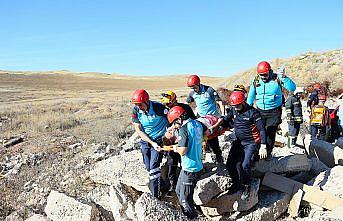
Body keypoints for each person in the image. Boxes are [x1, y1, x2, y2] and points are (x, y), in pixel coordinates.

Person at [220, 91, 267, 200]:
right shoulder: (234, 110)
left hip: (251, 143)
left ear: (243, 102)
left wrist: (263, 145)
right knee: (230, 164)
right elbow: (226, 120)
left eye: (237, 106)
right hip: (238, 141)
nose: (235, 108)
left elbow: (261, 129)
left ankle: (247, 186)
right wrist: (218, 126)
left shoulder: (253, 113)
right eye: (233, 106)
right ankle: (236, 183)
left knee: (245, 165)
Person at [247, 61, 296, 158]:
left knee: (270, 132)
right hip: (260, 110)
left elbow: (292, 87)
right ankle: (257, 153)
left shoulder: (277, 78)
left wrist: (284, 78)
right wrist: (247, 108)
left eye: (265, 75)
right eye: (261, 75)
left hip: (274, 111)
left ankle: (267, 155)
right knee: (259, 131)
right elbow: (251, 95)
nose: (263, 77)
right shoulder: (256, 81)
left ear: (269, 72)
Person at [167, 106, 207, 219]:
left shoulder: (183, 129)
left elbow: (183, 151)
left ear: (179, 119)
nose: (175, 126)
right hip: (194, 166)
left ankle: (192, 217)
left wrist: (176, 148)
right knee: (179, 191)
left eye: (175, 123)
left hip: (190, 169)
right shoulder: (196, 124)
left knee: (185, 200)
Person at [131, 89, 169, 198]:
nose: (139, 107)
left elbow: (171, 119)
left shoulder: (158, 108)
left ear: (147, 101)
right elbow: (139, 130)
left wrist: (168, 135)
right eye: (137, 105)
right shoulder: (136, 111)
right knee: (148, 167)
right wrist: (151, 142)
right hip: (146, 140)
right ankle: (163, 186)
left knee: (153, 167)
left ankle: (155, 196)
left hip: (159, 139)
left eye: (140, 104)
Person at [160, 90, 196, 192]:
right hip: (172, 140)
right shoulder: (166, 111)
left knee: (186, 159)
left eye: (168, 102)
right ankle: (173, 183)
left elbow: (193, 120)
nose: (167, 105)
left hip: (185, 138)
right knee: (171, 161)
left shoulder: (185, 108)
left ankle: (189, 182)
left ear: (174, 100)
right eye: (166, 103)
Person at [186, 74, 225, 163]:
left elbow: (219, 102)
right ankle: (205, 159)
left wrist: (222, 115)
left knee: (212, 139)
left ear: (199, 84)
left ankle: (219, 159)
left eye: (194, 87)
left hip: (212, 118)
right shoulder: (192, 93)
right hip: (201, 118)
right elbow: (189, 101)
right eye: (191, 88)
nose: (193, 89)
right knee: (200, 139)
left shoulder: (209, 90)